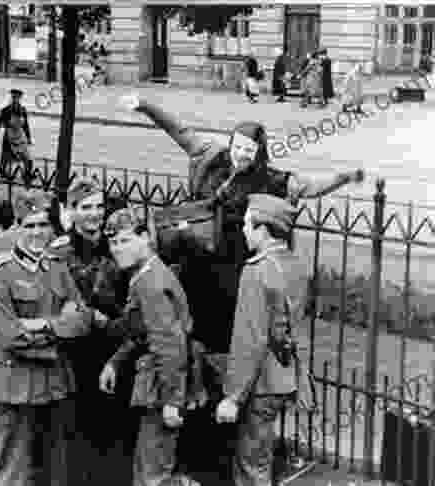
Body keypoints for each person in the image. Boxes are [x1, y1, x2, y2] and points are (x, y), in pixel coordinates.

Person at [120, 94, 365, 480]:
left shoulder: (272, 181)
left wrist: (345, 177)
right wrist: (145, 105)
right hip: (196, 271)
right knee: (189, 352)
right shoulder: (210, 158)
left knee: (231, 355)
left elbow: (311, 187)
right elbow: (179, 130)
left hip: (237, 283)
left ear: (260, 151)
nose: (240, 155)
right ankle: (196, 443)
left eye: (249, 150)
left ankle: (223, 442)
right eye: (237, 147)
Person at [0, 189, 94, 486]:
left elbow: (82, 320)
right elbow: (8, 335)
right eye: (29, 225)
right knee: (13, 469)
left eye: (43, 225)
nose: (37, 232)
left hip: (54, 383)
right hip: (15, 381)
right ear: (17, 227)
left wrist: (41, 324)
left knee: (55, 468)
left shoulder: (57, 268)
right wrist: (59, 328)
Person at [216, 194, 315, 486]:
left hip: (260, 384)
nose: (244, 230)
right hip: (284, 379)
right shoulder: (296, 264)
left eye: (247, 224)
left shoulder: (256, 271)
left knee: (251, 467)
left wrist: (233, 396)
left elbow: (250, 340)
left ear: (263, 228)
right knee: (261, 459)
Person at [99, 207, 195, 486]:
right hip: (159, 380)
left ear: (145, 238)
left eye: (125, 241)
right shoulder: (145, 273)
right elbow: (143, 332)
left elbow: (169, 344)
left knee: (152, 475)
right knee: (149, 467)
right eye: (114, 243)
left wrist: (172, 402)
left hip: (162, 383)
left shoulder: (151, 283)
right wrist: (115, 362)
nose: (117, 249)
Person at [48, 177, 135, 486]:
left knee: (113, 431)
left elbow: (131, 304)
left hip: (112, 351)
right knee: (72, 432)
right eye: (85, 207)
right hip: (72, 353)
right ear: (71, 211)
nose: (95, 214)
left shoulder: (117, 248)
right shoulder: (59, 253)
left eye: (99, 206)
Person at [0, 88, 34, 186]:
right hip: (9, 138)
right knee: (5, 158)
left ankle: (27, 174)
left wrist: (29, 138)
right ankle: (2, 172)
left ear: (20, 99)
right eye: (13, 97)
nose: (15, 100)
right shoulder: (5, 111)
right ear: (11, 98)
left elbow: (26, 125)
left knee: (28, 158)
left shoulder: (22, 110)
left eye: (17, 98)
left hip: (20, 137)